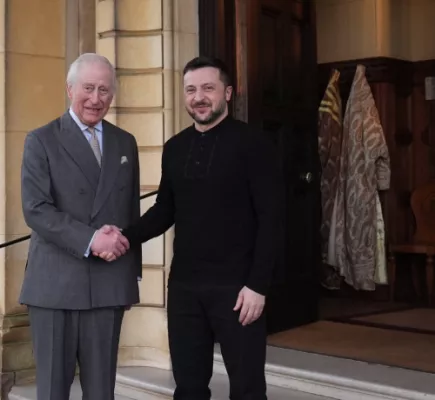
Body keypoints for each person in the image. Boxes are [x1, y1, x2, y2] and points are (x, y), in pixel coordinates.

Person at [96, 56, 282, 399]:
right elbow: (165, 209)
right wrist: (124, 236)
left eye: (208, 88)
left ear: (228, 92)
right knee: (189, 387)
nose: (199, 97)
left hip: (237, 290)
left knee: (247, 388)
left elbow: (272, 219)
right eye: (191, 89)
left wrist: (257, 285)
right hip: (184, 287)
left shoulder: (254, 144)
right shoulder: (175, 147)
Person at [19, 53, 142, 400]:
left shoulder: (125, 142)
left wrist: (130, 272)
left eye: (105, 89)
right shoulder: (40, 139)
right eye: (88, 88)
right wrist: (91, 239)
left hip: (108, 283)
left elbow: (130, 210)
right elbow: (36, 209)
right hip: (55, 284)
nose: (96, 98)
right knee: (54, 391)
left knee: (102, 391)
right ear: (69, 89)